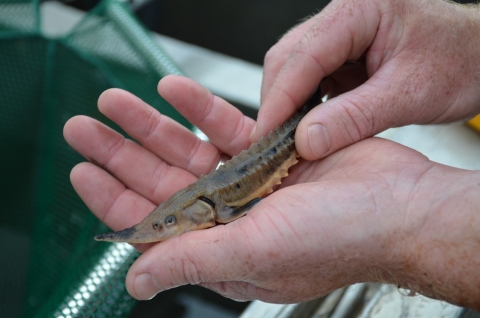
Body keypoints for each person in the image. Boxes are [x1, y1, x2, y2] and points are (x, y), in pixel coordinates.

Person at [63, 0, 480, 310]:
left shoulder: (220, 209)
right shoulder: (208, 203)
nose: (168, 226)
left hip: (280, 148)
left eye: (170, 220)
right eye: (167, 220)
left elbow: (239, 209)